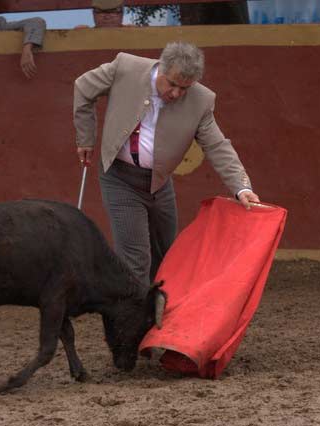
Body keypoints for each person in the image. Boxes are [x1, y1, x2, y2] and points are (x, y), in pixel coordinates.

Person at [73, 41, 260, 285]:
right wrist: (85, 138)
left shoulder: (201, 100)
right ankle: (134, 320)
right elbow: (83, 87)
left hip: (159, 184)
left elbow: (217, 145)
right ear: (160, 68)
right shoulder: (126, 67)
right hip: (119, 179)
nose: (176, 94)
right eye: (172, 84)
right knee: (135, 259)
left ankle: (160, 310)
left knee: (167, 255)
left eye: (184, 88)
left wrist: (241, 187)